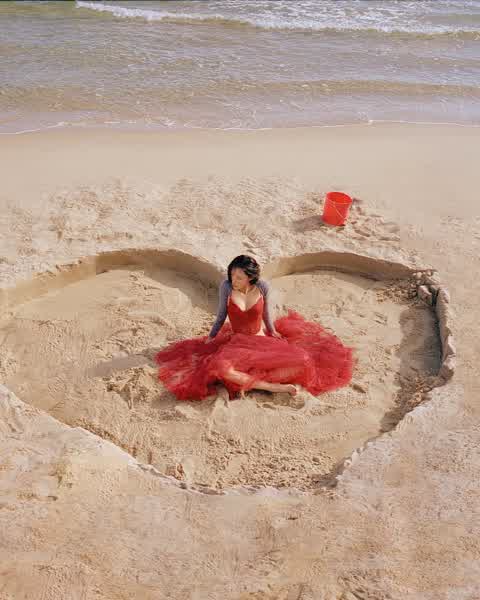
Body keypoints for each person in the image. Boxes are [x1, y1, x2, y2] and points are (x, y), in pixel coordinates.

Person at [155, 255, 353, 401]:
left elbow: (266, 314)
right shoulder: (226, 287)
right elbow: (221, 315)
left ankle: (248, 383)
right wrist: (212, 336)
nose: (234, 280)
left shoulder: (263, 287)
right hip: (237, 341)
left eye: (239, 277)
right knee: (221, 368)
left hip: (260, 338)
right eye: (232, 275)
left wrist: (272, 331)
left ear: (250, 278)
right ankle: (272, 387)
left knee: (304, 361)